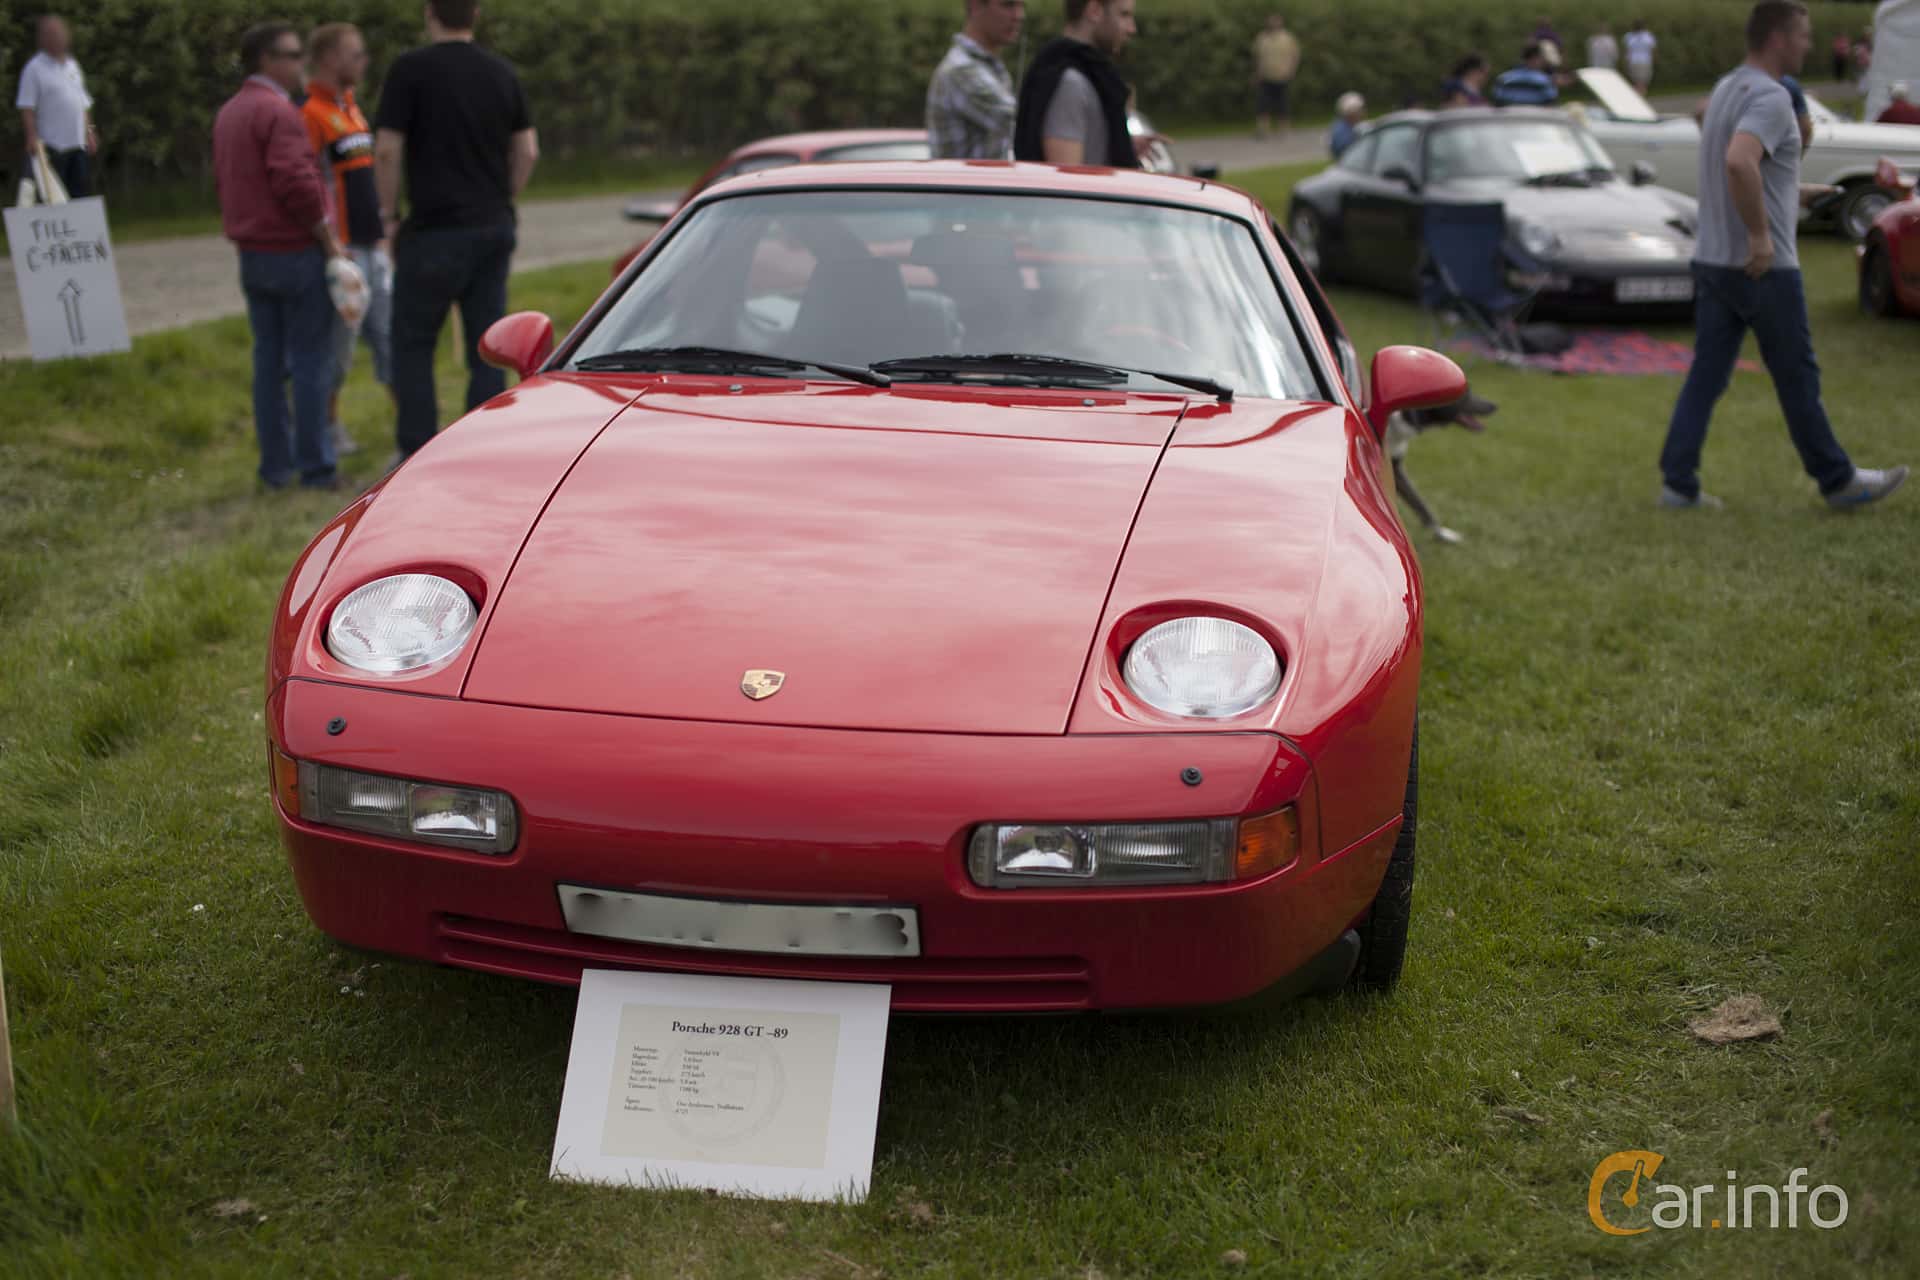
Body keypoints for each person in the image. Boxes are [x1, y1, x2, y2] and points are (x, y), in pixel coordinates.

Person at [1658, 1, 1906, 512]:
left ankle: (1677, 484)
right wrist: (1760, 236)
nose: (1808, 47)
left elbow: (1743, 164)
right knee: (1797, 376)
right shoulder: (1771, 98)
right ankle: (1838, 480)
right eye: (1803, 37)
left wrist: (1792, 190)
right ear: (1778, 38)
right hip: (1761, 269)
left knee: (1707, 375)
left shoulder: (1728, 87)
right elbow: (1738, 162)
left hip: (1714, 263)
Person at [374, 0, 539, 462]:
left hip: (432, 230)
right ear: (476, 14)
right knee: (487, 344)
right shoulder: (502, 73)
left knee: (414, 342)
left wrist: (388, 214)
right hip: (491, 226)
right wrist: (502, 196)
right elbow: (527, 150)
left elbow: (387, 150)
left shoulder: (409, 70)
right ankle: (480, 446)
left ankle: (417, 448)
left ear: (430, 14)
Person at [213, 22, 347, 491]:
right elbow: (296, 183)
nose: (299, 64)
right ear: (266, 60)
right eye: (291, 55)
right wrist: (327, 239)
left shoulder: (230, 112)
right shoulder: (279, 111)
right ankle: (316, 469)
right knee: (311, 362)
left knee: (268, 363)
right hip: (294, 253)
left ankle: (275, 469)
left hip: (252, 255)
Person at [303, 22, 389, 458]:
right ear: (329, 59)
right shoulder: (311, 114)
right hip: (345, 249)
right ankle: (329, 428)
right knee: (339, 352)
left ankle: (409, 431)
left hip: (374, 244)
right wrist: (330, 243)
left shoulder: (353, 108)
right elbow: (310, 180)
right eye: (355, 54)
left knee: (389, 337)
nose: (363, 61)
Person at [1013, 0, 1141, 167]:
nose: (1132, 28)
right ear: (1094, 10)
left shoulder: (1093, 77)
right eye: (1124, 15)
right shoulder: (1070, 84)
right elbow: (1065, 183)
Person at [927, 0, 1025, 159]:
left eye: (1022, 6)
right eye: (1008, 5)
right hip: (964, 183)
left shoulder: (989, 67)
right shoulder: (961, 70)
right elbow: (1024, 126)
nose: (1019, 16)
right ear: (975, 6)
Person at [14, 14, 98, 198]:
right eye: (51, 34)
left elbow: (83, 103)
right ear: (43, 39)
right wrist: (31, 137)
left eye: (60, 33)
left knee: (80, 195)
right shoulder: (34, 69)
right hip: (52, 146)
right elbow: (27, 107)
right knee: (56, 198)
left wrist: (90, 131)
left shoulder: (73, 66)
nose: (58, 38)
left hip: (77, 144)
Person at [1251, 13, 1302, 137]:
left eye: (1276, 22)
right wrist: (1256, 74)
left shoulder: (1287, 38)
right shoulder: (1262, 38)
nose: (1273, 24)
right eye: (1271, 22)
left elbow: (1295, 55)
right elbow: (1257, 57)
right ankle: (1263, 129)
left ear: (1280, 23)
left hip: (1282, 76)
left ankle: (1283, 129)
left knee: (1282, 103)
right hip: (1265, 76)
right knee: (1262, 103)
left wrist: (1291, 70)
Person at [1490, 44, 1558, 106]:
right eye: (1541, 58)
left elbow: (1496, 102)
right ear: (1536, 58)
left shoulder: (1503, 79)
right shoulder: (1544, 81)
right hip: (1535, 118)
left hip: (1508, 119)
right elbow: (1551, 103)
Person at [1624, 20, 1657, 94]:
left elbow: (1627, 51)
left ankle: (1638, 94)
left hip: (1638, 61)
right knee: (1640, 81)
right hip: (1642, 61)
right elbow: (1652, 49)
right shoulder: (1648, 36)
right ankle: (1640, 94)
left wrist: (1626, 61)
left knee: (1639, 81)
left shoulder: (1630, 36)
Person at [1329, 92, 1365, 157]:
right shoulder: (1341, 130)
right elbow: (1347, 152)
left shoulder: (1346, 126)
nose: (1362, 113)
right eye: (1359, 110)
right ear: (1351, 112)